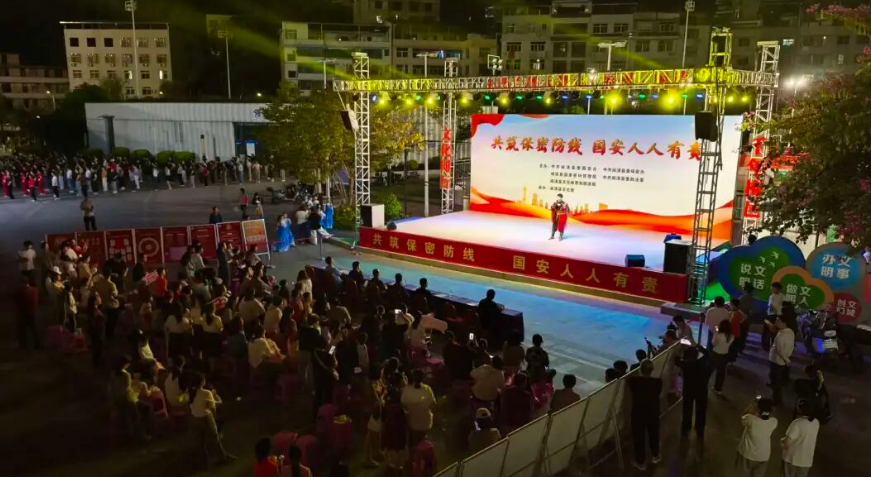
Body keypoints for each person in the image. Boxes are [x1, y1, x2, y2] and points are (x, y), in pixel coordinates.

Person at [189, 373, 235, 465]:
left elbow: (183, 400)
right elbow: (212, 407)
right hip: (205, 417)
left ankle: (203, 462)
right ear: (202, 382)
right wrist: (214, 417)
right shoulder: (206, 393)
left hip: (195, 419)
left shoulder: (189, 393)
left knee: (200, 441)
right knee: (215, 438)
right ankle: (222, 457)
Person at [628, 359, 662, 470]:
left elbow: (630, 378)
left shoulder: (634, 382)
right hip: (653, 412)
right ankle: (655, 455)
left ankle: (640, 462)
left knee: (639, 437)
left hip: (639, 413)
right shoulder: (658, 382)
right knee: (654, 434)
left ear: (641, 370)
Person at [736, 397, 777, 477]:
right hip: (763, 456)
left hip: (747, 454)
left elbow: (743, 416)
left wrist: (752, 405)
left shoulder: (750, 419)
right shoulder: (774, 422)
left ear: (758, 408)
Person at [676, 345, 711, 441]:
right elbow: (707, 353)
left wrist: (680, 349)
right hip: (702, 390)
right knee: (701, 410)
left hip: (689, 390)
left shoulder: (687, 364)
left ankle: (686, 428)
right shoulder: (703, 361)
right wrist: (698, 346)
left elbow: (677, 360)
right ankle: (700, 430)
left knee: (687, 409)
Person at [781, 399, 820, 477]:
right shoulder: (816, 422)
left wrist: (782, 441)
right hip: (806, 461)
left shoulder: (797, 423)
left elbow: (787, 443)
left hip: (792, 459)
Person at [401, 369, 437, 445]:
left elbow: (404, 405)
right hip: (424, 423)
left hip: (414, 422)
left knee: (415, 443)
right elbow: (433, 404)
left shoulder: (407, 389)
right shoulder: (427, 389)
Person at [768, 316, 795, 406]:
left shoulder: (780, 337)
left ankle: (776, 400)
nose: (776, 321)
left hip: (776, 360)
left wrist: (787, 360)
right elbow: (791, 346)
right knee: (776, 378)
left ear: (784, 323)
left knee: (775, 381)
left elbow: (780, 351)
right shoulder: (790, 332)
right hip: (782, 361)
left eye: (778, 320)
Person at [711, 318, 734, 395]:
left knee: (709, 371)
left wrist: (715, 333)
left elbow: (713, 343)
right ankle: (718, 389)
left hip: (716, 354)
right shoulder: (731, 336)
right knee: (721, 373)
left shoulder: (719, 335)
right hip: (724, 355)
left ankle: (703, 385)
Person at [16, 277, 40, 350]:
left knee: (21, 330)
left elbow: (18, 301)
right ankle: (37, 344)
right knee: (34, 329)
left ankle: (23, 345)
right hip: (33, 312)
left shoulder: (21, 291)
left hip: (24, 313)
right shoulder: (35, 290)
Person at [764, 282, 784, 351]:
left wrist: (776, 313)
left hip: (772, 316)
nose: (771, 289)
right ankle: (774, 347)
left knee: (769, 332)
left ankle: (768, 347)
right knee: (776, 333)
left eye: (772, 288)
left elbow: (771, 307)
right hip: (779, 316)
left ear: (777, 289)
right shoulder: (782, 296)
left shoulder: (772, 296)